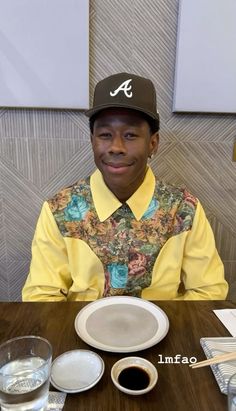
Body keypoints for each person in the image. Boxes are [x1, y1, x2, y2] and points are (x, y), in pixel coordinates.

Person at [22, 72, 228, 301]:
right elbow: (41, 297)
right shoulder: (60, 210)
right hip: (79, 332)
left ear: (153, 143)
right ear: (92, 141)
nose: (116, 147)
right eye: (105, 134)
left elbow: (209, 293)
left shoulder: (184, 209)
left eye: (130, 135)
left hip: (163, 332)